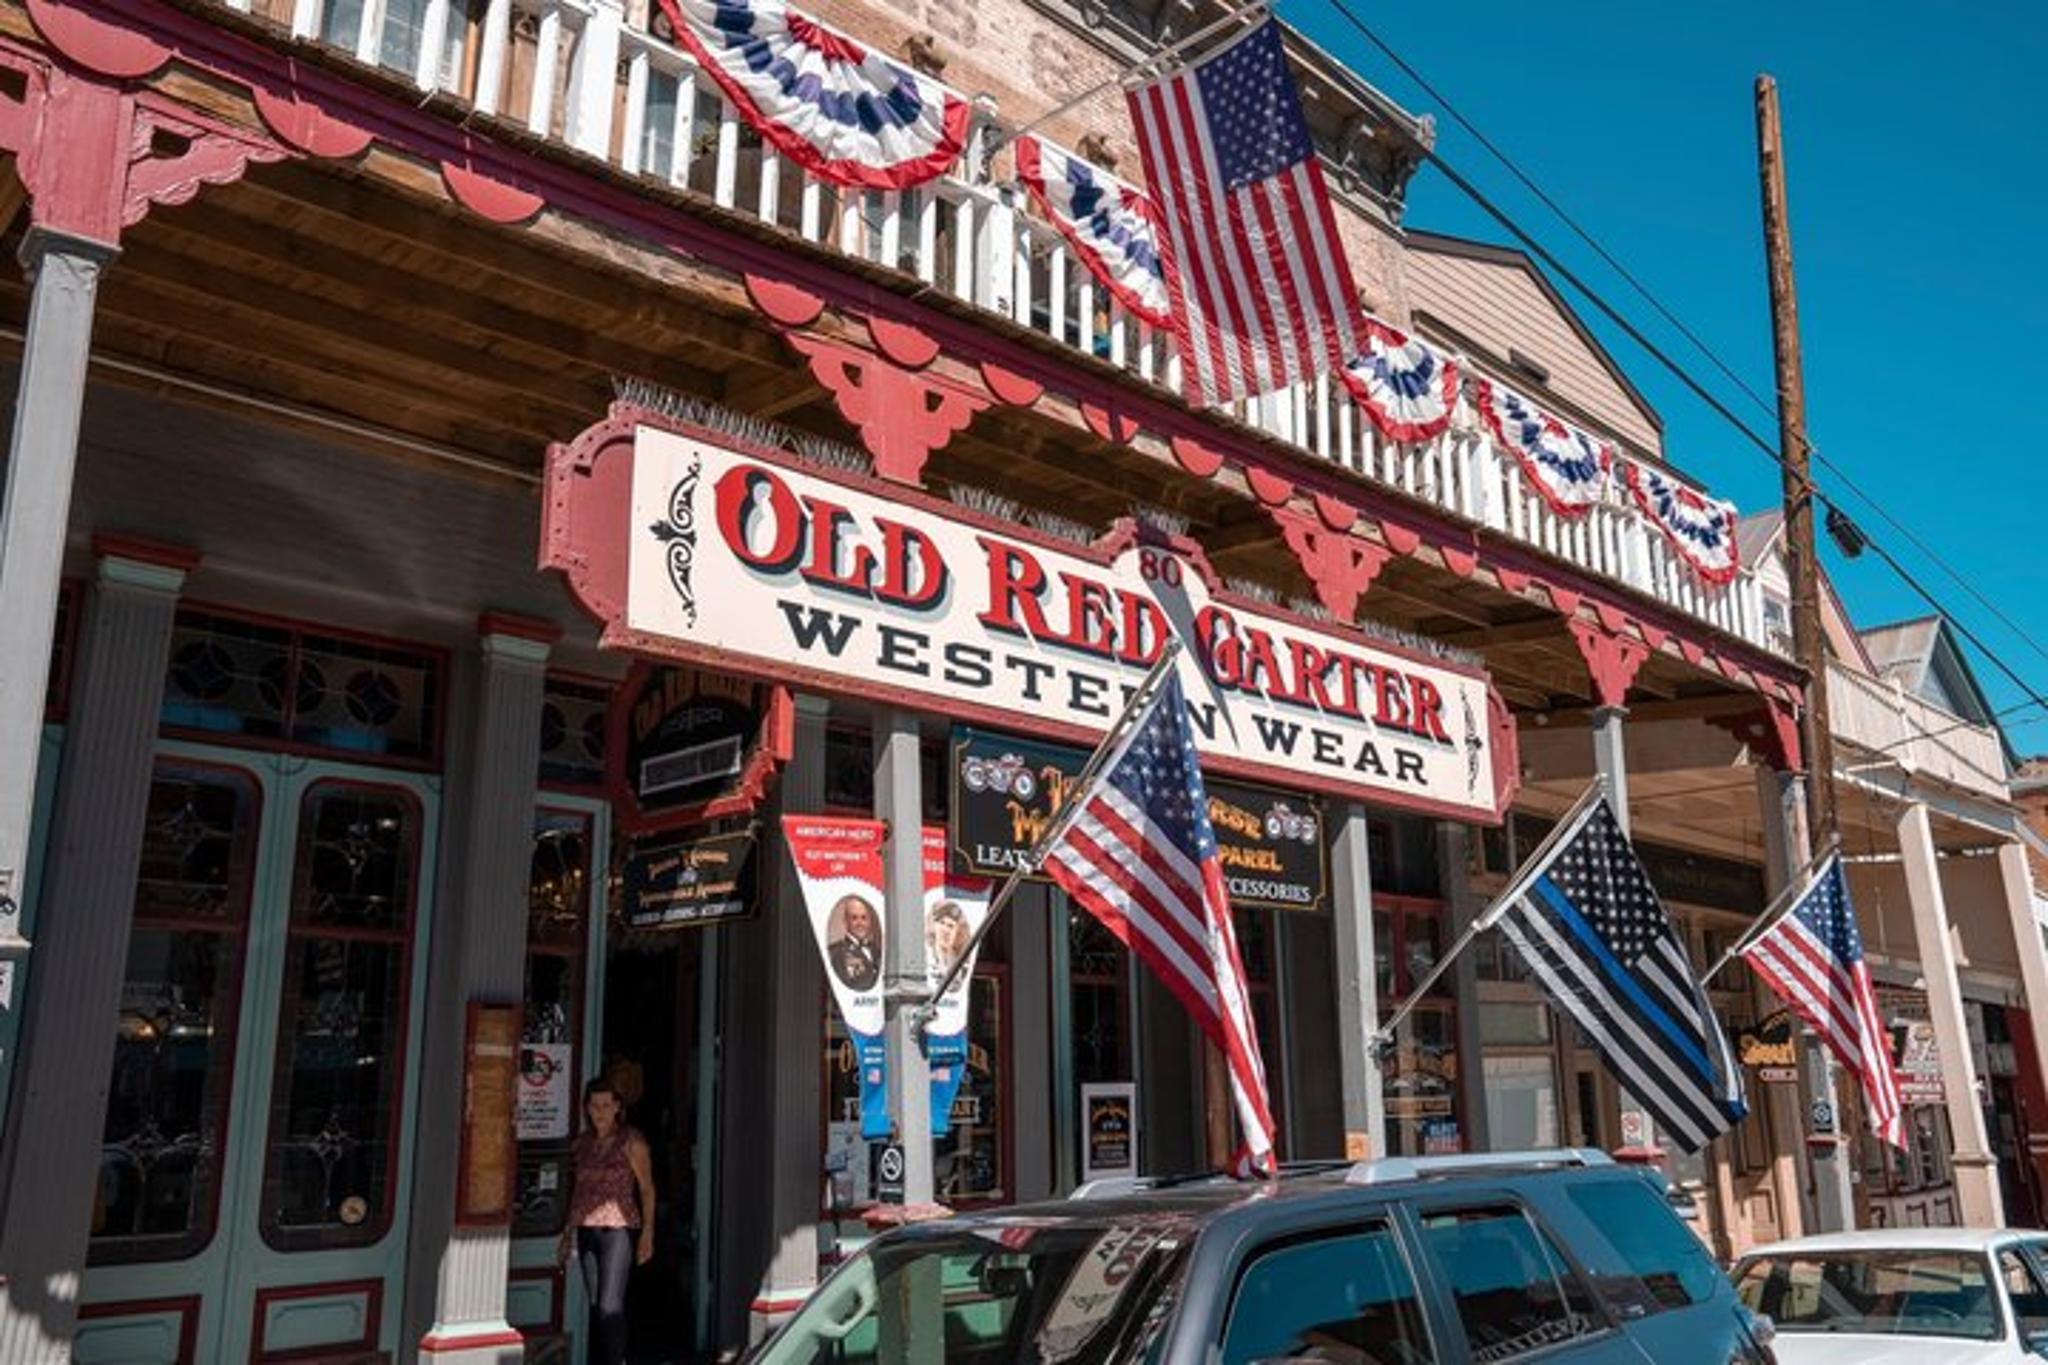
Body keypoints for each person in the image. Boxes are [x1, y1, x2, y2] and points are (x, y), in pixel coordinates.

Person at [558, 1077, 655, 1365]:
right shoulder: (583, 1144)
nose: (600, 1110)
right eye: (594, 1105)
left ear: (617, 1108)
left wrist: (648, 1233)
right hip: (586, 1231)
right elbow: (577, 1192)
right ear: (587, 1108)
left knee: (610, 1306)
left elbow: (647, 1188)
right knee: (596, 1304)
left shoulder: (631, 1141)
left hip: (617, 1232)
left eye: (606, 1104)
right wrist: (566, 1234)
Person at [828, 894, 882, 992]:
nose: (860, 923)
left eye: (864, 918)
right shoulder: (835, 952)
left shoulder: (878, 951)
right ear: (845, 921)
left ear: (869, 921)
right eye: (854, 918)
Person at [926, 899, 969, 984]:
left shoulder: (962, 962)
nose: (945, 930)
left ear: (958, 931)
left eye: (951, 926)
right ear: (934, 925)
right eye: (942, 923)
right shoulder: (926, 955)